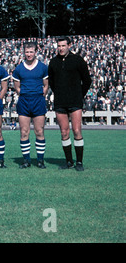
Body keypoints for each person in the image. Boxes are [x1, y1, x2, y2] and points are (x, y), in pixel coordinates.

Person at [48, 37, 92, 171]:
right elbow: (52, 82)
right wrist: (60, 93)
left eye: (63, 45)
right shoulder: (53, 62)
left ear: (69, 45)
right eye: (59, 46)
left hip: (75, 101)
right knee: (64, 132)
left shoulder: (78, 60)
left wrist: (79, 95)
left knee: (77, 130)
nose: (61, 48)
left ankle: (79, 162)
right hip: (60, 101)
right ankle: (69, 162)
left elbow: (87, 81)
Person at [12, 42, 49, 169]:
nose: (29, 54)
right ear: (24, 52)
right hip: (24, 102)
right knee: (24, 132)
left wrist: (39, 95)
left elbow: (46, 85)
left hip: (38, 101)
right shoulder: (19, 69)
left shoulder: (43, 67)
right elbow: (17, 87)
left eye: (31, 52)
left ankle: (40, 160)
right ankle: (26, 160)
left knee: (39, 131)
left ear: (35, 52)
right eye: (27, 52)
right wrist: (25, 94)